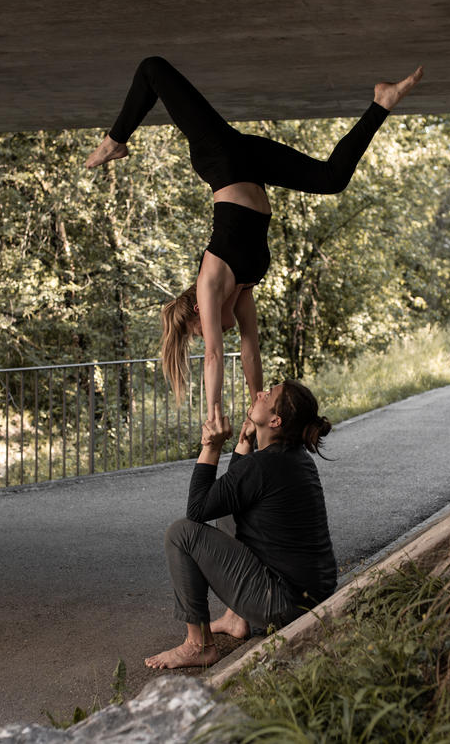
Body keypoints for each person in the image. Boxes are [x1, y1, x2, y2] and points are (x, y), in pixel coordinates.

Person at [86, 57, 422, 422]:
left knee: (153, 69)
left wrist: (213, 413)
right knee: (331, 178)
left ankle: (114, 141)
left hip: (221, 158)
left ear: (199, 312)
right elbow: (251, 351)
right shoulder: (242, 289)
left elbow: (214, 356)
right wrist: (253, 406)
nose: (208, 336)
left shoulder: (210, 285)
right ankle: (383, 101)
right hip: (250, 163)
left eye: (198, 332)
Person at [144, 379, 337, 669]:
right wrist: (243, 442)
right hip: (309, 594)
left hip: (284, 603)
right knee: (226, 515)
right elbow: (229, 496)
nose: (260, 393)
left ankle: (198, 646)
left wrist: (211, 446)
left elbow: (196, 510)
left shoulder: (263, 466)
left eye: (268, 395)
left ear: (275, 420)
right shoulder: (292, 458)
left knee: (180, 533)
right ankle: (236, 619)